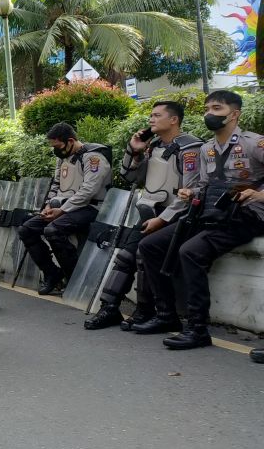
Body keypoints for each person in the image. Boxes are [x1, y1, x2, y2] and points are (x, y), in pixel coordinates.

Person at [137, 91, 264, 349]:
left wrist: (258, 194)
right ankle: (166, 315)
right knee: (150, 245)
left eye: (216, 108)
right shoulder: (206, 148)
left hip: (246, 215)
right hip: (210, 214)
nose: (209, 114)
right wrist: (190, 192)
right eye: (207, 109)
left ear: (234, 114)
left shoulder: (254, 143)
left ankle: (197, 328)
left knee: (191, 251)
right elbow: (203, 185)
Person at [85, 101, 202, 331]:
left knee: (142, 255)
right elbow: (129, 177)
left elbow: (191, 190)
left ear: (174, 120)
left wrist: (164, 218)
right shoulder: (154, 146)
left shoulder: (191, 148)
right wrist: (134, 151)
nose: (151, 119)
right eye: (151, 115)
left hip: (175, 218)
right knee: (125, 258)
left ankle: (145, 311)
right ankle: (109, 308)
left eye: (157, 115)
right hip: (149, 213)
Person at [16, 123, 111, 295]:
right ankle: (52, 274)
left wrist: (62, 210)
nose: (56, 151)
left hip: (90, 207)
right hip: (64, 207)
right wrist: (47, 206)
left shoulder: (93, 158)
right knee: (27, 229)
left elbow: (88, 190)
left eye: (58, 146)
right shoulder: (63, 158)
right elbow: (57, 184)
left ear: (71, 141)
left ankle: (75, 277)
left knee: (53, 230)